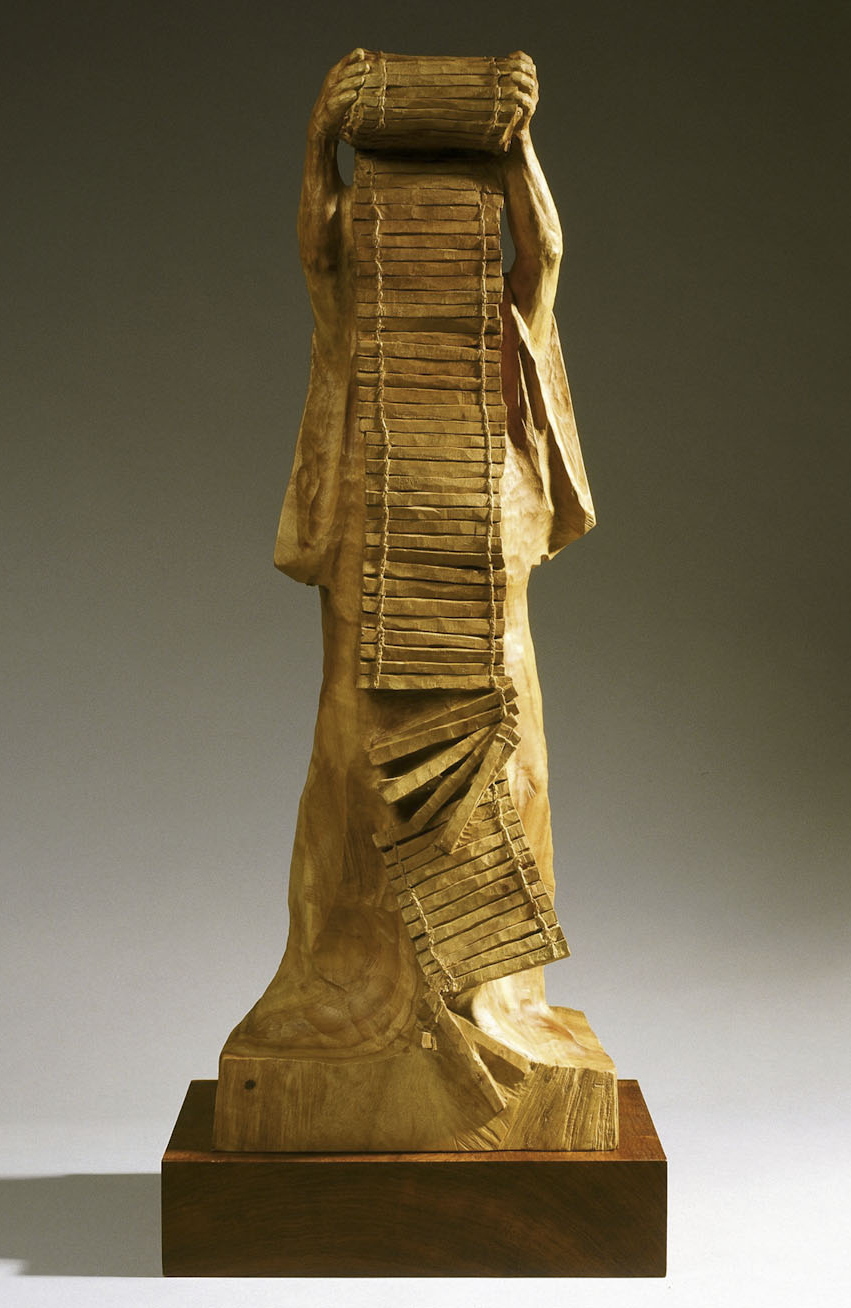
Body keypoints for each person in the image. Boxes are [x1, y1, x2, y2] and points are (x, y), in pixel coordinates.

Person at [239, 49, 596, 1074]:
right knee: (354, 758)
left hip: (483, 524)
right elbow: (318, 247)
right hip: (376, 524)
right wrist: (322, 134)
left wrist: (517, 145)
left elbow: (546, 250)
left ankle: (489, 993)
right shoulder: (356, 324)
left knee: (508, 748)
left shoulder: (508, 329)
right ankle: (359, 991)